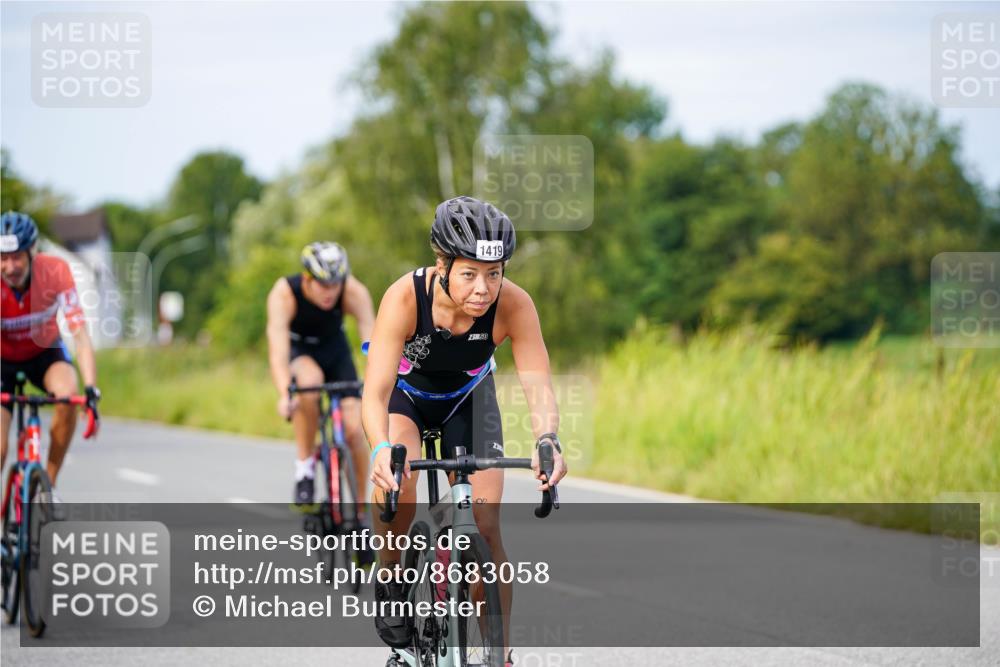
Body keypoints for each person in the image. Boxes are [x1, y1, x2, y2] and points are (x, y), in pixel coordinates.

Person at [362, 196, 568, 664]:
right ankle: (391, 577)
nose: (484, 289)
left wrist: (547, 440)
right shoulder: (403, 297)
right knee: (399, 479)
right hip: (406, 398)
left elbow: (539, 387)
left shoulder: (514, 304)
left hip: (468, 400)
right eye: (470, 273)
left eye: (494, 274)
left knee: (487, 524)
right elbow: (374, 393)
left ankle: (500, 653)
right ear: (442, 265)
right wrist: (378, 448)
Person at [266, 241, 375, 510]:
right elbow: (277, 352)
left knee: (354, 428)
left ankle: (361, 509)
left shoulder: (353, 291)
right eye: (323, 285)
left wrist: (378, 385)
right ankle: (305, 467)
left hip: (335, 351)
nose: (331, 292)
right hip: (300, 350)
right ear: (307, 278)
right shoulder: (284, 294)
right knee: (309, 381)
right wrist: (284, 393)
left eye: (336, 284)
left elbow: (372, 343)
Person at [1, 211, 101, 496]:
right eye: (2, 258)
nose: (10, 267)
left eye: (17, 256)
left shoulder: (55, 271)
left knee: (68, 394)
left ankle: (48, 488)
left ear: (32, 252)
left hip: (44, 353)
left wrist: (91, 389)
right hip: (2, 362)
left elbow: (80, 335)